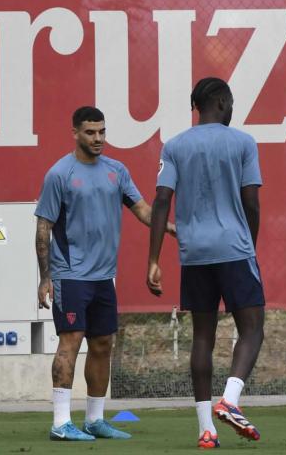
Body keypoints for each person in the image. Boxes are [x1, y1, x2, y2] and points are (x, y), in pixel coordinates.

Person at [35, 106, 175, 442]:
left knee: (102, 344)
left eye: (101, 132)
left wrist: (168, 227)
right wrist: (45, 277)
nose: (97, 138)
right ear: (75, 133)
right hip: (70, 275)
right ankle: (60, 422)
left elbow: (141, 207)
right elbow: (43, 230)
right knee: (71, 341)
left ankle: (95, 420)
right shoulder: (60, 174)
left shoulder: (116, 170)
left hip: (103, 277)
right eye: (90, 132)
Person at [147, 78, 265, 449]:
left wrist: (153, 259)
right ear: (219, 101)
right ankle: (230, 400)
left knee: (202, 337)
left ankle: (205, 431)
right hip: (234, 248)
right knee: (252, 328)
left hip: (194, 253)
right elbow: (251, 203)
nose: (232, 109)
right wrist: (251, 244)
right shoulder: (243, 142)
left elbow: (162, 201)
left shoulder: (175, 145)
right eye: (230, 102)